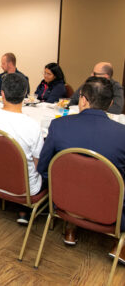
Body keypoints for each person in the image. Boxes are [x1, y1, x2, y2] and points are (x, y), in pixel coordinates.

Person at [37, 76, 125, 262]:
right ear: (109, 104)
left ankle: (70, 227)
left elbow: (44, 168)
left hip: (65, 203)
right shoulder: (122, 134)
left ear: (83, 100)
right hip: (110, 211)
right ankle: (121, 244)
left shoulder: (59, 125)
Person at [0, 73, 44, 223]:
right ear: (25, 95)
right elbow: (38, 166)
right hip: (24, 189)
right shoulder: (32, 125)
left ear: (2, 94)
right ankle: (26, 211)